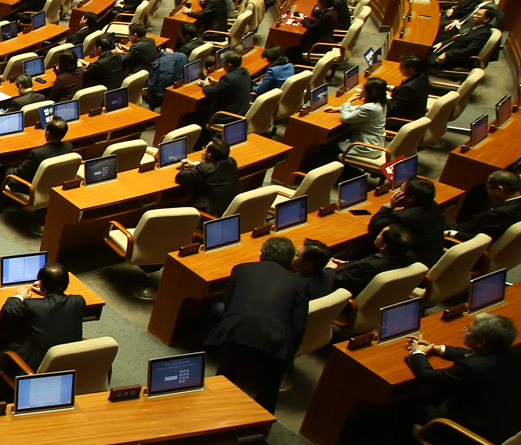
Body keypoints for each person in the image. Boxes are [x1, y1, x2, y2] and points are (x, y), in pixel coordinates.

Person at [203, 236, 311, 412]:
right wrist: (288, 357)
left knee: (224, 377)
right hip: (275, 341)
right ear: (290, 260)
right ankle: (258, 429)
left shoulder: (241, 270)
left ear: (261, 254)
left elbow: (228, 307)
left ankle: (211, 413)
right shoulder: (300, 283)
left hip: (236, 331)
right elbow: (298, 325)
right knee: (268, 391)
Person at [405, 314, 521, 445]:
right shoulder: (510, 352)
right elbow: (472, 355)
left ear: (480, 342)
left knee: (410, 402)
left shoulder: (472, 368)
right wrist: (436, 348)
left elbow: (426, 375)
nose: (464, 331)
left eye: (468, 330)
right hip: (505, 425)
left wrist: (417, 352)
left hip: (476, 437)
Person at [0, 262, 85, 370]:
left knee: (2, 343)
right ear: (66, 283)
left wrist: (19, 296)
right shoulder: (79, 302)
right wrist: (47, 293)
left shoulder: (32, 305)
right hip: (68, 364)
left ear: (41, 284)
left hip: (35, 367)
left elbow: (7, 311)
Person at [366, 176, 455, 266]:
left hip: (415, 264)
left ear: (410, 198)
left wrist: (390, 205)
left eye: (401, 189)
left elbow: (374, 226)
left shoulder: (404, 217)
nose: (397, 192)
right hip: (434, 258)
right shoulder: (432, 205)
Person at [456, 170, 521, 242]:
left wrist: (451, 233)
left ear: (500, 190)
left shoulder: (500, 214)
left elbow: (479, 241)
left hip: (462, 235)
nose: (488, 192)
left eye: (488, 189)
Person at [334, 226, 414, 296]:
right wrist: (347, 264)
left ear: (383, 246)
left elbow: (338, 281)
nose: (377, 236)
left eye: (380, 234)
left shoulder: (369, 267)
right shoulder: (409, 256)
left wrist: (329, 268)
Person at [176, 138, 241, 215]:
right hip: (227, 211)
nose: (203, 151)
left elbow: (180, 177)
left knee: (170, 205)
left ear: (209, 155)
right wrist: (196, 164)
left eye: (205, 149)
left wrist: (201, 163)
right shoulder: (232, 162)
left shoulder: (206, 169)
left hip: (209, 216)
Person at [10, 118, 74, 183]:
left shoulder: (37, 153)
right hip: (56, 184)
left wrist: (6, 169)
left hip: (30, 187)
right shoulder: (69, 147)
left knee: (4, 171)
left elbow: (20, 173)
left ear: (47, 133)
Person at [387, 55, 432, 125]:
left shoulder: (408, 88)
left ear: (411, 70)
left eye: (401, 67)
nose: (399, 68)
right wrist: (392, 88)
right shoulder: (422, 77)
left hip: (404, 120)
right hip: (416, 112)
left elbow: (392, 109)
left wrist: (382, 98)